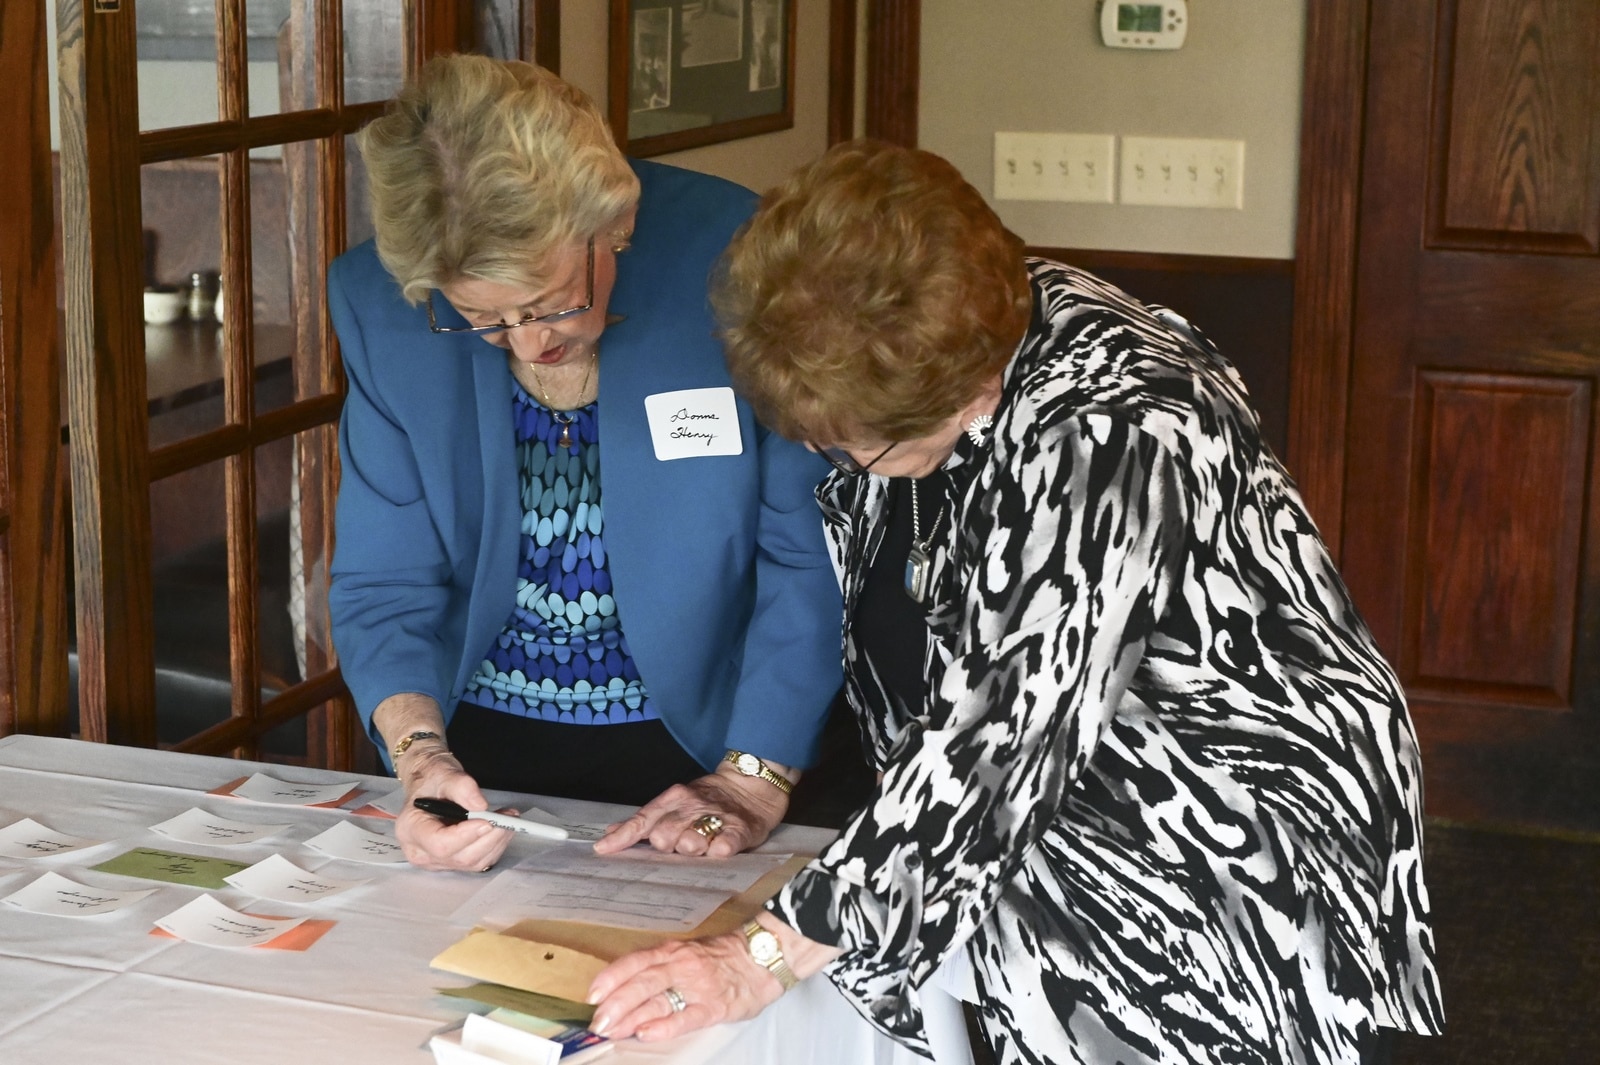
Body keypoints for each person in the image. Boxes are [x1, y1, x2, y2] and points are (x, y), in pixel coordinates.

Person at [587, 140, 1445, 1064]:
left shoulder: (1117, 425)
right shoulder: (910, 339)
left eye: (857, 450)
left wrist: (760, 956)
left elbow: (1000, 735)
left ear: (974, 390)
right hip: (1026, 850)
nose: (840, 466)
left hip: (1219, 846)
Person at [325, 55, 840, 873]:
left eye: (555, 301)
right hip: (476, 750)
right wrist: (421, 759)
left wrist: (753, 776)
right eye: (482, 318)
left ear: (613, 223)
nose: (531, 342)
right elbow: (384, 578)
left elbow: (808, 556)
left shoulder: (745, 265)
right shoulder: (382, 311)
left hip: (720, 736)